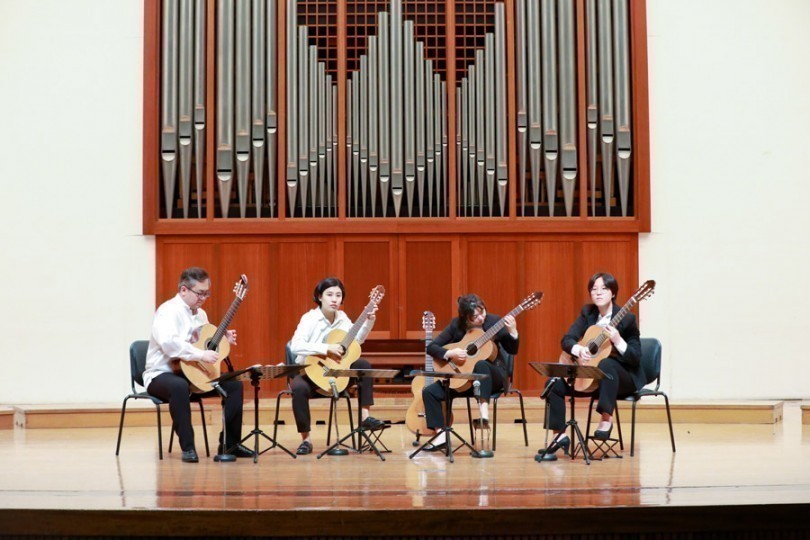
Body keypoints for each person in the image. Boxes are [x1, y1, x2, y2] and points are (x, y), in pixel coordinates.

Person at [144, 266, 251, 463]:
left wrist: (223, 339)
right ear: (183, 290)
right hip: (162, 374)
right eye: (199, 293)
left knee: (234, 385)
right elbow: (170, 344)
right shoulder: (167, 311)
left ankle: (230, 444)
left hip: (193, 373)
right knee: (178, 387)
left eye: (206, 293)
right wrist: (201, 355)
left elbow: (203, 341)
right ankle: (188, 448)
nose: (203, 298)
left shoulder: (201, 314)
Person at [537, 272, 645, 461]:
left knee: (606, 363)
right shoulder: (588, 313)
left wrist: (618, 340)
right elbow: (566, 340)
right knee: (553, 383)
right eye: (594, 289)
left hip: (621, 378)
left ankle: (606, 418)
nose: (598, 292)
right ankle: (559, 436)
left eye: (604, 288)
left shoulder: (627, 319)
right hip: (591, 378)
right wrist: (579, 350)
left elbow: (635, 358)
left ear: (613, 293)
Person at [288, 277, 384, 455]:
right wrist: (326, 348)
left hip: (337, 373)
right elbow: (296, 346)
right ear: (319, 297)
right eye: (329, 294)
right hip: (311, 372)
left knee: (363, 365)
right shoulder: (309, 319)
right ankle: (306, 439)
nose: (334, 299)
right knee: (298, 388)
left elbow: (356, 341)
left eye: (338, 295)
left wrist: (369, 321)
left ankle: (365, 417)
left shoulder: (342, 318)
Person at [420, 294, 519, 452]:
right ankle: (440, 435)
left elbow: (512, 350)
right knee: (429, 392)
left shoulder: (494, 322)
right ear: (465, 318)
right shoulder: (456, 325)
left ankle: (483, 416)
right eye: (475, 317)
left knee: (480, 364)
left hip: (493, 377)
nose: (481, 318)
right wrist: (450, 353)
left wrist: (513, 332)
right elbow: (432, 347)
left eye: (482, 312)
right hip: (465, 380)